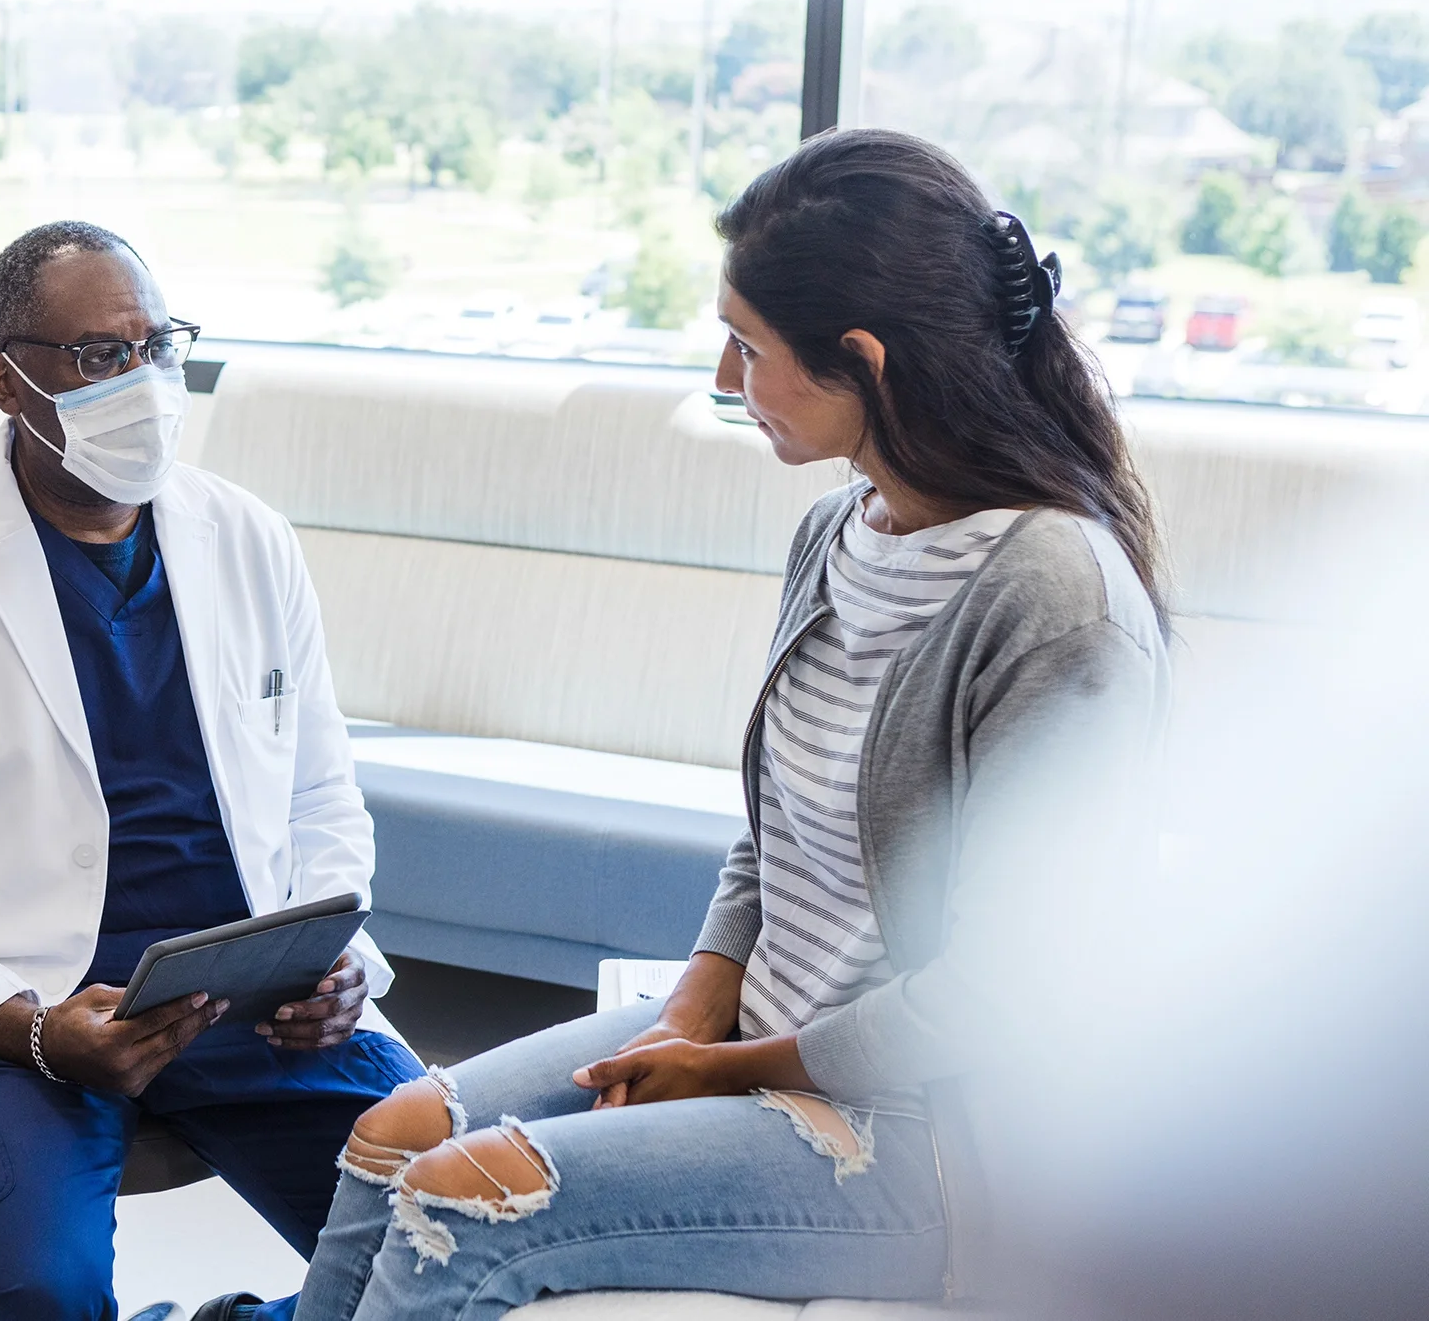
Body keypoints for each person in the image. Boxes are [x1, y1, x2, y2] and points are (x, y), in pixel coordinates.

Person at [216, 129, 1174, 1321]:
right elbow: (771, 834)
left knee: (463, 1198)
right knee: (394, 1131)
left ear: (864, 362)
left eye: (747, 345)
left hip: (935, 1133)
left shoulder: (1054, 598)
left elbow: (1005, 991)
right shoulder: (838, 537)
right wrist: (691, 1008)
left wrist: (729, 1071)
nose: (725, 382)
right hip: (767, 1035)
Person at [0, 220, 422, 1321]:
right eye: (96, 357)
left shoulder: (251, 541)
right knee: (38, 1293)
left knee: (459, 1235)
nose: (142, 383)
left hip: (249, 1003)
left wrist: (338, 957)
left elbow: (320, 799)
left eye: (156, 347)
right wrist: (24, 1026)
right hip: (15, 1014)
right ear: (2, 380)